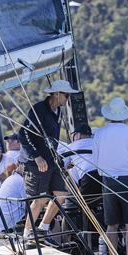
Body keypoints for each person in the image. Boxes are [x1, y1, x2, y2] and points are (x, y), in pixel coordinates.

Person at [19, 79, 80, 240]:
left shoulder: (58, 111)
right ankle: (27, 235)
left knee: (60, 195)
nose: (68, 99)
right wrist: (37, 157)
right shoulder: (38, 109)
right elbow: (23, 134)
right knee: (40, 199)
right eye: (66, 96)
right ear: (57, 94)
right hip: (36, 161)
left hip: (51, 158)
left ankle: (42, 229)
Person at [93, 97, 128, 255]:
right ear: (124, 114)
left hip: (108, 181)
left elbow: (95, 160)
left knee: (111, 225)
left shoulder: (100, 133)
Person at [0, 162, 27, 232]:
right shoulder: (21, 180)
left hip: (3, 225)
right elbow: (29, 205)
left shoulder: (11, 178)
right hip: (11, 226)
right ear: (19, 166)